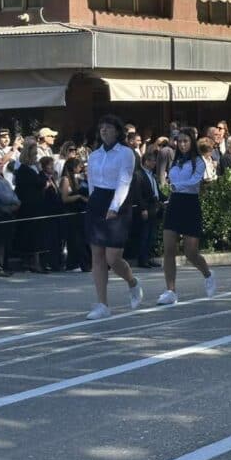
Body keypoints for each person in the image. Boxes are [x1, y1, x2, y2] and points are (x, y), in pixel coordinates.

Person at [83, 115, 143, 320]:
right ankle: (102, 304)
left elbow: (124, 181)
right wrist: (93, 202)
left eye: (108, 128)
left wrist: (114, 207)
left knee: (112, 257)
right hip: (97, 201)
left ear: (117, 131)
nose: (104, 131)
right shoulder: (95, 155)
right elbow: (91, 180)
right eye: (102, 128)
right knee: (97, 255)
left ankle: (132, 282)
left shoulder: (126, 153)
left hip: (118, 201)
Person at [157, 127, 216, 305]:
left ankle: (208, 274)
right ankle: (170, 290)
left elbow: (194, 182)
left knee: (191, 252)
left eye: (185, 141)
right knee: (168, 249)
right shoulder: (175, 161)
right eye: (179, 141)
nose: (182, 144)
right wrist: (172, 186)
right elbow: (169, 179)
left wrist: (177, 186)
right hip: (174, 203)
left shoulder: (198, 161)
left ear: (191, 142)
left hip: (190, 204)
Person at [14, 143, 49, 274]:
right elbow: (40, 182)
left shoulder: (32, 168)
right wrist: (40, 171)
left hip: (37, 205)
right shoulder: (24, 170)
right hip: (29, 206)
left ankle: (33, 262)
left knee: (36, 234)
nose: (36, 157)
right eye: (34, 154)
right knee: (31, 235)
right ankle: (32, 263)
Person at [129, 150, 162, 270]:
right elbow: (137, 194)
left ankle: (149, 257)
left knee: (151, 235)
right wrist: (143, 209)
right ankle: (142, 259)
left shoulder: (152, 175)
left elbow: (156, 191)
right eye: (152, 161)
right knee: (144, 234)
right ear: (146, 161)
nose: (154, 163)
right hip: (146, 208)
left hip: (154, 208)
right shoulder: (139, 175)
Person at [60, 157, 90, 272]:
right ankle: (72, 264)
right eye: (78, 166)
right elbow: (64, 198)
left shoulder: (77, 179)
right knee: (74, 240)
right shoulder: (66, 179)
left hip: (78, 212)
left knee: (79, 239)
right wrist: (78, 197)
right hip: (69, 213)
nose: (80, 168)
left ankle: (77, 262)